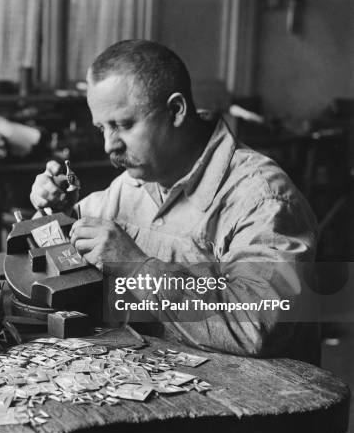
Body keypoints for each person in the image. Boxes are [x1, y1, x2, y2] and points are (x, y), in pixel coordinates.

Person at [30, 40, 319, 363]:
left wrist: (134, 266)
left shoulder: (262, 198)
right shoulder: (133, 183)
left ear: (176, 111)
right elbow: (67, 252)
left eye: (123, 125)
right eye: (102, 128)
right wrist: (57, 212)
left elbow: (255, 328)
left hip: (247, 400)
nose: (109, 146)